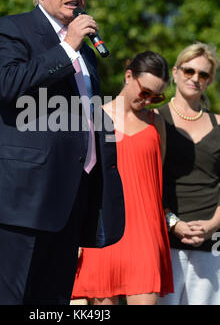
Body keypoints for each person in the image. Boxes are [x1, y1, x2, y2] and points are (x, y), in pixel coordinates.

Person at [0, 0, 125, 305]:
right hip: (15, 202)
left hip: (66, 203)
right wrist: (67, 47)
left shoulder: (85, 51)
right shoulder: (13, 29)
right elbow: (6, 87)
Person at [71, 51, 174, 305]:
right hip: (103, 232)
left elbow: (155, 177)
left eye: (157, 96)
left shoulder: (155, 122)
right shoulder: (93, 117)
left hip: (145, 236)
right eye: (145, 91)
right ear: (129, 76)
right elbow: (80, 180)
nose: (149, 100)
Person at [157, 42, 220, 305]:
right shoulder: (154, 119)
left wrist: (212, 225)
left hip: (212, 246)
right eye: (189, 70)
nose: (195, 78)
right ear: (175, 72)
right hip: (164, 242)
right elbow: (146, 182)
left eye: (203, 74)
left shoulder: (219, 123)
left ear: (210, 80)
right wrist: (173, 223)